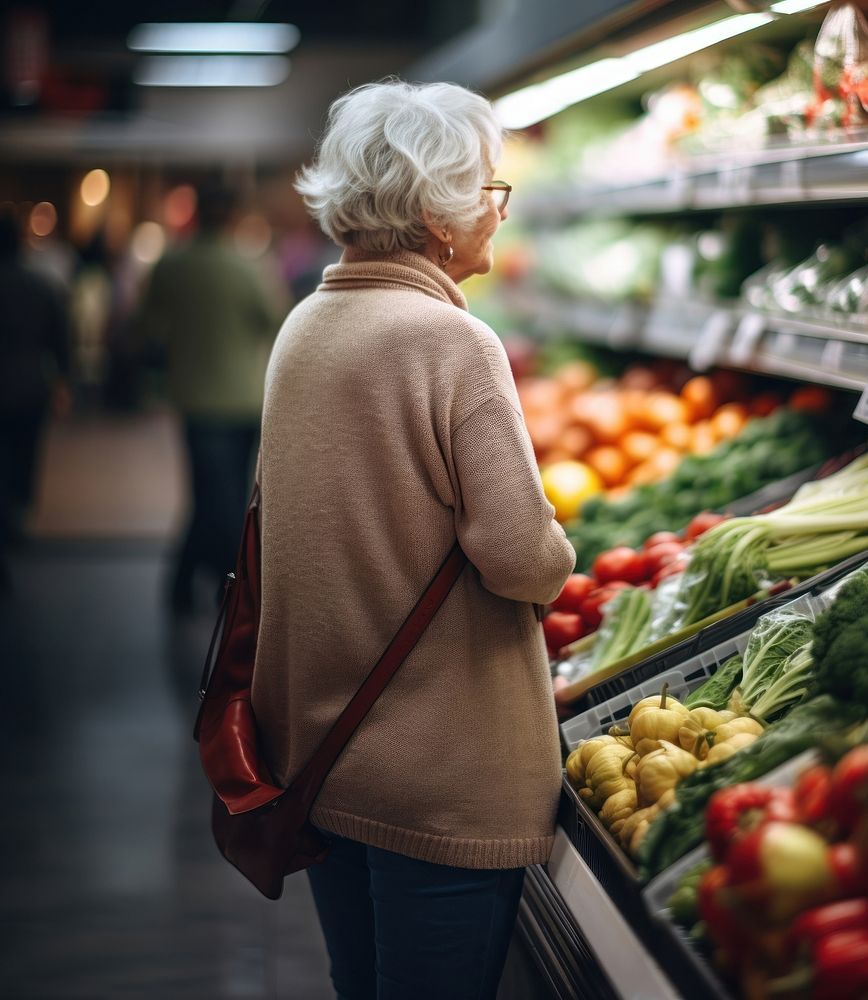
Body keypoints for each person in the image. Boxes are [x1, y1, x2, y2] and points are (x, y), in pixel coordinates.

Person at [250, 80, 576, 999]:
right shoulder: (452, 344)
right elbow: (521, 558)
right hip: (442, 779)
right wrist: (561, 547)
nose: (496, 210)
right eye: (489, 189)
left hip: (322, 755)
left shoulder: (303, 327)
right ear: (437, 210)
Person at [134, 183, 283, 613]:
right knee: (224, 497)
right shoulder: (248, 268)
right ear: (233, 216)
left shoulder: (171, 265)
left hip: (195, 399)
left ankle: (187, 584)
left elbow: (145, 326)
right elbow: (274, 319)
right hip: (244, 399)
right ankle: (224, 585)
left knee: (208, 495)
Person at [0, 209, 70, 590]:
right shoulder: (38, 285)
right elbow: (61, 337)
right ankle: (14, 518)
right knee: (23, 459)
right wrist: (64, 380)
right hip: (29, 389)